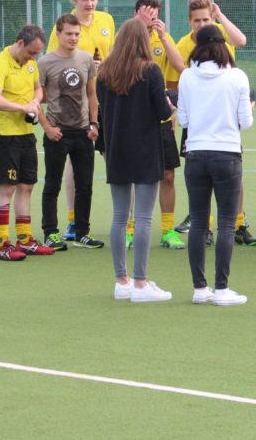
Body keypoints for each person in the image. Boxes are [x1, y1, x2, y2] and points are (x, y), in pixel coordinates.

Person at [164, 0, 256, 247]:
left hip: (224, 114)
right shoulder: (184, 44)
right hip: (199, 117)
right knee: (202, 176)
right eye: (197, 20)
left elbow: (241, 40)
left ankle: (238, 223)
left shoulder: (220, 34)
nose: (202, 24)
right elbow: (177, 76)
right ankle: (204, 225)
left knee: (234, 173)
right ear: (189, 21)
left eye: (206, 19)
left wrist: (220, 16)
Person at [100, 17, 176, 302]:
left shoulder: (104, 72)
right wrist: (169, 103)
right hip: (145, 149)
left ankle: (121, 281)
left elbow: (103, 109)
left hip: (116, 149)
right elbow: (163, 112)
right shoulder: (150, 70)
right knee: (143, 217)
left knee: (120, 217)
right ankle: (141, 283)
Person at [178, 24, 254, 305]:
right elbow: (245, 121)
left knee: (198, 223)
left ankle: (200, 288)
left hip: (196, 154)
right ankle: (222, 289)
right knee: (226, 223)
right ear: (223, 45)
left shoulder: (187, 76)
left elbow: (183, 120)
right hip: (227, 154)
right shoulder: (237, 76)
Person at [45, 0, 115, 242]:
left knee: (112, 157)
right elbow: (55, 62)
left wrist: (102, 65)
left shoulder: (106, 20)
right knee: (73, 166)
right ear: (74, 0)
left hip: (104, 94)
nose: (90, 3)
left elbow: (113, 54)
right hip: (73, 101)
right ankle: (73, 221)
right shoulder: (65, 26)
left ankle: (125, 223)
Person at [0, 25, 54, 261]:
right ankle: (2, 244)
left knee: (27, 186)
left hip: (26, 134)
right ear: (20, 43)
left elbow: (38, 89)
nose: (33, 58)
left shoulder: (31, 64)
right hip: (4, 136)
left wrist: (34, 102)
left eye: (37, 54)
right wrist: (22, 107)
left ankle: (25, 240)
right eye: (31, 52)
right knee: (7, 189)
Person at [124, 0, 185, 250]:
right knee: (132, 176)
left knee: (168, 174)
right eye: (146, 15)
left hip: (160, 116)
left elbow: (180, 66)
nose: (151, 20)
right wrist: (138, 28)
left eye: (154, 16)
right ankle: (129, 230)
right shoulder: (125, 38)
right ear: (135, 14)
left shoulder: (163, 38)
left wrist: (163, 37)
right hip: (133, 117)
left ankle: (168, 231)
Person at [38, 14, 102, 251]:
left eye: (77, 34)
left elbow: (92, 94)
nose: (73, 38)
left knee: (85, 186)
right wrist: (47, 127)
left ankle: (82, 233)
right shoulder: (45, 63)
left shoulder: (86, 59)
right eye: (69, 34)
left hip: (83, 132)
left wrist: (94, 124)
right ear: (58, 34)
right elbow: (36, 99)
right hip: (57, 133)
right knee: (52, 184)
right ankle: (50, 233)